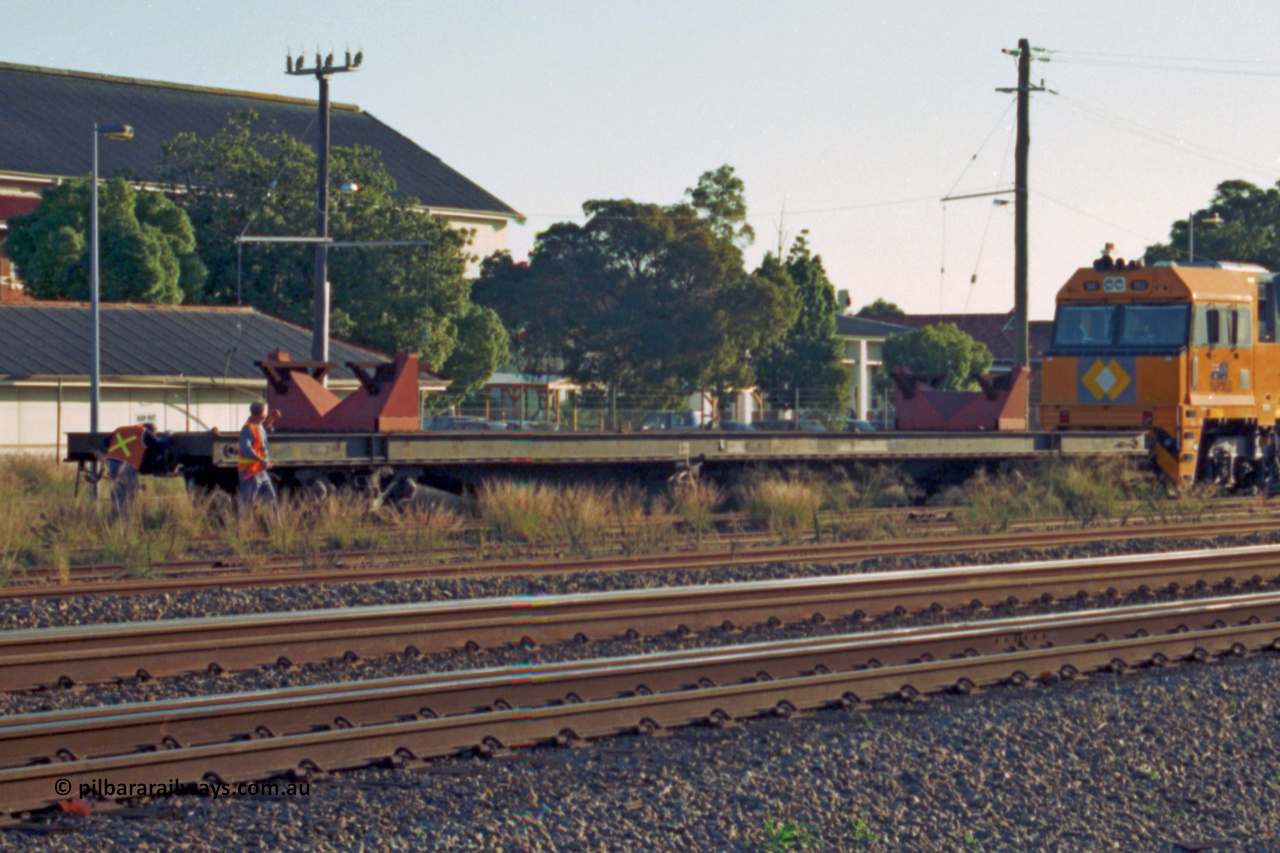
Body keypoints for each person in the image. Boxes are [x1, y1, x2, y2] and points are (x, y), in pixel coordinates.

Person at [238, 401, 279, 520]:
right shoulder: (248, 429)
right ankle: (243, 528)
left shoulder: (258, 426)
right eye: (266, 411)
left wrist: (270, 421)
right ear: (260, 413)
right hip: (250, 473)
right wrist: (261, 461)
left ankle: (277, 527)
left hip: (260, 472)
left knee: (272, 499)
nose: (267, 413)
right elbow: (246, 449)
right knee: (248, 504)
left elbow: (261, 434)